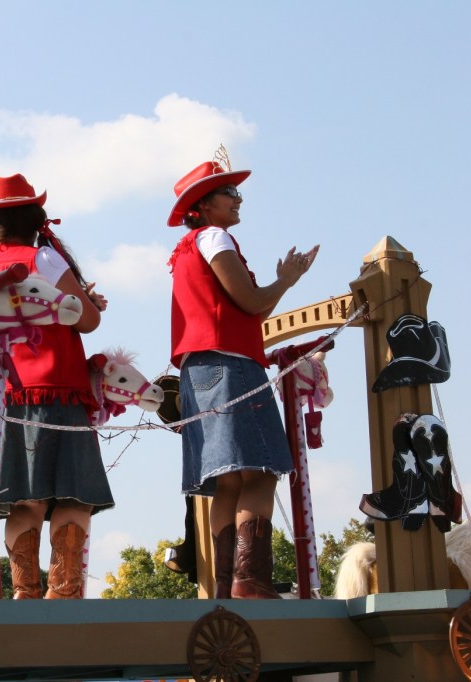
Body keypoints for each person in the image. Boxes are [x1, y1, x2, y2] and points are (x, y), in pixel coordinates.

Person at [0, 174, 114, 599]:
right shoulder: (46, 259)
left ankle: (25, 593)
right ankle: (63, 594)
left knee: (24, 501)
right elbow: (87, 320)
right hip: (57, 388)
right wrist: (88, 303)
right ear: (40, 221)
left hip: (2, 395)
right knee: (74, 495)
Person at [166, 150, 318, 599]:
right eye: (230, 192)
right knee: (260, 472)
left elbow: (252, 308)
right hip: (230, 366)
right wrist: (286, 280)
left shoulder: (187, 248)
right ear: (204, 205)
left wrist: (281, 283)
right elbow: (252, 302)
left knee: (228, 480)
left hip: (199, 371)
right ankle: (249, 581)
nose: (239, 199)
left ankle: (225, 585)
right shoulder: (216, 237)